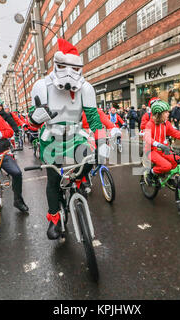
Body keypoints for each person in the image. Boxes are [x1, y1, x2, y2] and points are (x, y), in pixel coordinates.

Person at [28, 38, 105, 240]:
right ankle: (54, 219)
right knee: (53, 180)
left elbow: (94, 118)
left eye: (74, 68)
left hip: (76, 136)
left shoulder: (86, 88)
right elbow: (32, 121)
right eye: (63, 66)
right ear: (56, 65)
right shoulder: (41, 85)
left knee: (93, 158)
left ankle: (79, 180)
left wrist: (102, 141)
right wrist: (35, 118)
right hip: (51, 139)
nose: (69, 72)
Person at [143, 100, 180, 185]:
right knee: (166, 166)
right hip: (151, 150)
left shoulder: (166, 123)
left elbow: (175, 133)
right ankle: (150, 173)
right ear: (159, 114)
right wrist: (158, 144)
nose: (168, 114)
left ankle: (170, 177)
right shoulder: (150, 124)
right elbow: (147, 137)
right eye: (166, 112)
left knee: (178, 160)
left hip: (163, 149)